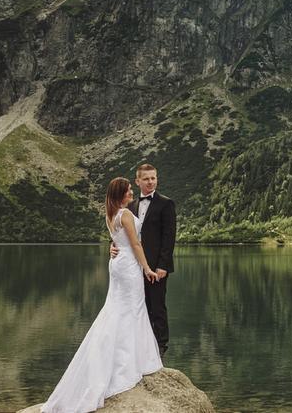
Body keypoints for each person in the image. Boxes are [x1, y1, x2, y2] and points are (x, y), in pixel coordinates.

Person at [41, 177, 162, 412]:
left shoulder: (111, 213)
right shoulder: (125, 214)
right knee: (131, 310)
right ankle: (127, 363)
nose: (131, 194)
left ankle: (124, 356)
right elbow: (135, 244)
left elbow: (118, 240)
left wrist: (114, 248)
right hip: (128, 266)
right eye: (128, 191)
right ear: (120, 194)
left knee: (118, 309)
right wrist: (147, 267)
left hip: (118, 264)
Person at [111, 163, 177, 356]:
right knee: (139, 305)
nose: (151, 182)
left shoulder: (166, 203)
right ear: (137, 181)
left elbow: (169, 237)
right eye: (146, 179)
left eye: (153, 178)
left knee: (157, 306)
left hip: (156, 267)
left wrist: (163, 265)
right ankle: (141, 347)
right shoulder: (130, 205)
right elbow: (120, 232)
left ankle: (160, 347)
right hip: (132, 266)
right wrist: (112, 245)